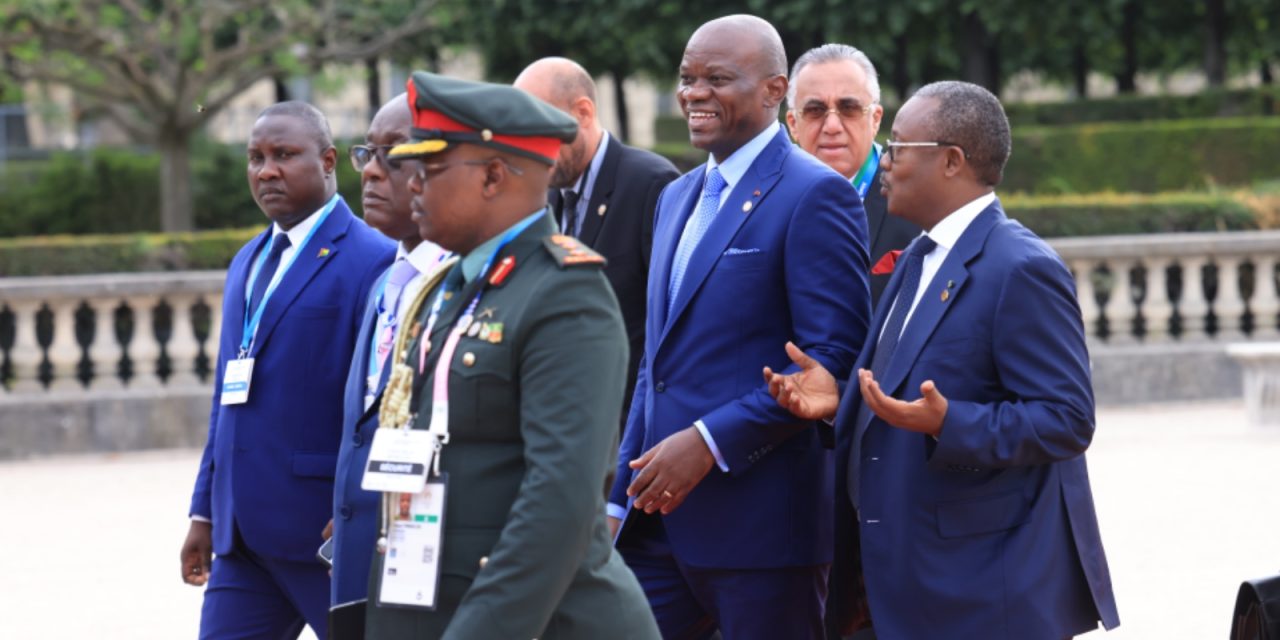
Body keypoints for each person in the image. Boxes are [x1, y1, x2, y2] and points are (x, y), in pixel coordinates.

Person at [765, 81, 1120, 638]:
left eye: (900, 146)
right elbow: (897, 395)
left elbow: (1067, 419)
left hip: (979, 592)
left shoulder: (1021, 267)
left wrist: (949, 422)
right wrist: (842, 400)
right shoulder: (919, 257)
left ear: (952, 161)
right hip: (897, 581)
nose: (885, 159)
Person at [361, 71, 661, 639]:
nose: (412, 186)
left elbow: (561, 501)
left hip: (548, 622)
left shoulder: (566, 294)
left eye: (429, 169)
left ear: (494, 175)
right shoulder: (448, 286)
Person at [608, 14, 870, 640]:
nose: (694, 93)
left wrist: (708, 440)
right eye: (687, 78)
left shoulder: (816, 194)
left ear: (774, 91)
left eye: (717, 79)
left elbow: (830, 358)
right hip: (655, 525)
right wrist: (619, 494)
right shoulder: (675, 198)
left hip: (763, 530)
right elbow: (657, 363)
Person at [180, 101, 395, 639]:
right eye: (255, 157)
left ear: (327, 161)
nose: (266, 170)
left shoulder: (375, 259)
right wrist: (205, 511)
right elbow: (226, 397)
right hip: (241, 541)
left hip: (324, 534)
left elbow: (386, 397)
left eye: (283, 155)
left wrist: (363, 505)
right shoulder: (247, 261)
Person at [327, 93, 449, 625]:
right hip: (364, 553)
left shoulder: (470, 287)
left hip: (436, 562)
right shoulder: (385, 282)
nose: (372, 173)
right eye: (367, 154)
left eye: (394, 155)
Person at [514, 57, 680, 427]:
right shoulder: (547, 193)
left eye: (537, 129)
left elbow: (670, 324)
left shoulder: (650, 183)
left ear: (583, 112)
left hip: (629, 424)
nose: (528, 148)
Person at [785, 44, 918, 306]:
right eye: (815, 110)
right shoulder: (764, 203)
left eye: (849, 109)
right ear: (793, 125)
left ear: (876, 119)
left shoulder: (920, 204)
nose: (832, 126)